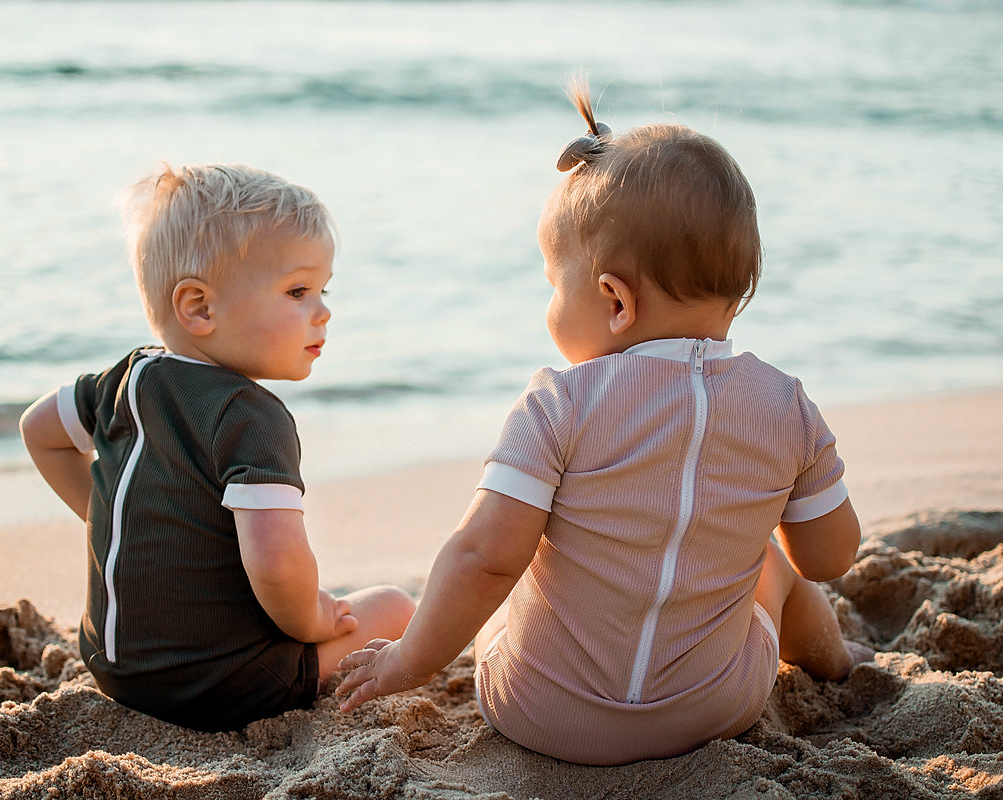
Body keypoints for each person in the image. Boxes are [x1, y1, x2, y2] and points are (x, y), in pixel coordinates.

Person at [336, 81, 871, 764]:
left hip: (540, 711)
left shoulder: (558, 403)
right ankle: (838, 659)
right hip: (713, 712)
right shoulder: (786, 407)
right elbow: (831, 558)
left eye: (554, 285)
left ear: (615, 300)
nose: (550, 303)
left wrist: (407, 663)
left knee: (527, 558)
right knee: (771, 569)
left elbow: (482, 557)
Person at [19, 163, 415, 732]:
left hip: (114, 667)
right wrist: (313, 619)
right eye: (298, 291)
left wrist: (112, 519)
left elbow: (39, 431)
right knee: (394, 608)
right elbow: (278, 565)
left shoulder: (123, 381)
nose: (323, 311)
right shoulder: (251, 416)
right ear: (200, 307)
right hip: (213, 687)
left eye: (323, 290)